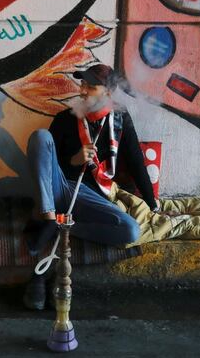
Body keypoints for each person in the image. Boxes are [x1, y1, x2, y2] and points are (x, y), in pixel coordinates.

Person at [23, 63, 159, 309]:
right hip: (59, 189)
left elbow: (137, 162)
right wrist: (74, 160)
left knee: (131, 231)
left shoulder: (120, 119)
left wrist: (153, 205)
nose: (82, 91)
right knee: (41, 137)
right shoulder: (66, 119)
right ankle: (49, 217)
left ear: (108, 92)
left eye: (90, 86)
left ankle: (61, 227)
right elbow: (47, 164)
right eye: (82, 84)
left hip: (92, 197)